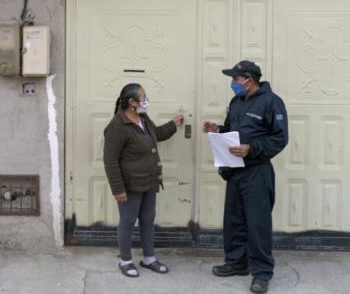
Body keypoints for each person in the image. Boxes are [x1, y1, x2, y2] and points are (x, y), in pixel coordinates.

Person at [202, 60, 289, 293]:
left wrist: (252, 148)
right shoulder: (236, 101)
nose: (232, 83)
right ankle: (237, 263)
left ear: (249, 79)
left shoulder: (272, 102)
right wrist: (218, 129)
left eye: (235, 78)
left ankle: (261, 273)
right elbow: (232, 131)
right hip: (234, 170)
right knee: (234, 220)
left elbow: (280, 139)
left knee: (257, 223)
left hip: (257, 171)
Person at [103, 83, 184, 278]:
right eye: (143, 97)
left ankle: (149, 258)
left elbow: (158, 134)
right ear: (132, 102)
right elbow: (110, 160)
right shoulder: (117, 126)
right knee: (128, 222)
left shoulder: (143, 118)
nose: (146, 101)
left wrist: (174, 124)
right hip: (130, 185)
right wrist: (118, 189)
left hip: (150, 181)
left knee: (148, 220)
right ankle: (126, 260)